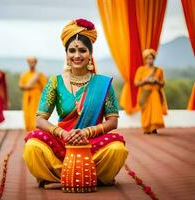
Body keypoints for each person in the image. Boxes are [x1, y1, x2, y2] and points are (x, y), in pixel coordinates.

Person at [23, 19, 128, 189]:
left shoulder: (103, 84)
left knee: (117, 149)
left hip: (92, 142)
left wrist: (86, 132)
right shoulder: (55, 82)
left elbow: (112, 121)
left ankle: (66, 177)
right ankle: (77, 176)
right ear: (66, 54)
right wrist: (63, 134)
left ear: (90, 54)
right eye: (72, 50)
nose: (77, 55)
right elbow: (40, 119)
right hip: (62, 141)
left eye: (82, 50)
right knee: (32, 147)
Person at [135, 49, 167, 134]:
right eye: (148, 58)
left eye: (151, 58)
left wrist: (156, 81)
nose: (150, 60)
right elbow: (136, 83)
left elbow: (163, 83)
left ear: (154, 59)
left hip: (155, 93)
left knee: (155, 110)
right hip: (144, 93)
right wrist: (145, 80)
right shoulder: (141, 70)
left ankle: (153, 127)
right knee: (145, 111)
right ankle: (146, 127)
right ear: (145, 59)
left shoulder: (159, 70)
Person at [19, 56, 47, 132]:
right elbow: (21, 86)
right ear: (28, 63)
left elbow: (45, 88)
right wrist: (28, 86)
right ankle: (28, 129)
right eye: (30, 62)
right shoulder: (24, 74)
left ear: (36, 63)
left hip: (37, 97)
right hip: (27, 96)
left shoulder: (39, 75)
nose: (32, 64)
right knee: (27, 113)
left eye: (33, 62)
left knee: (35, 113)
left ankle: (36, 130)